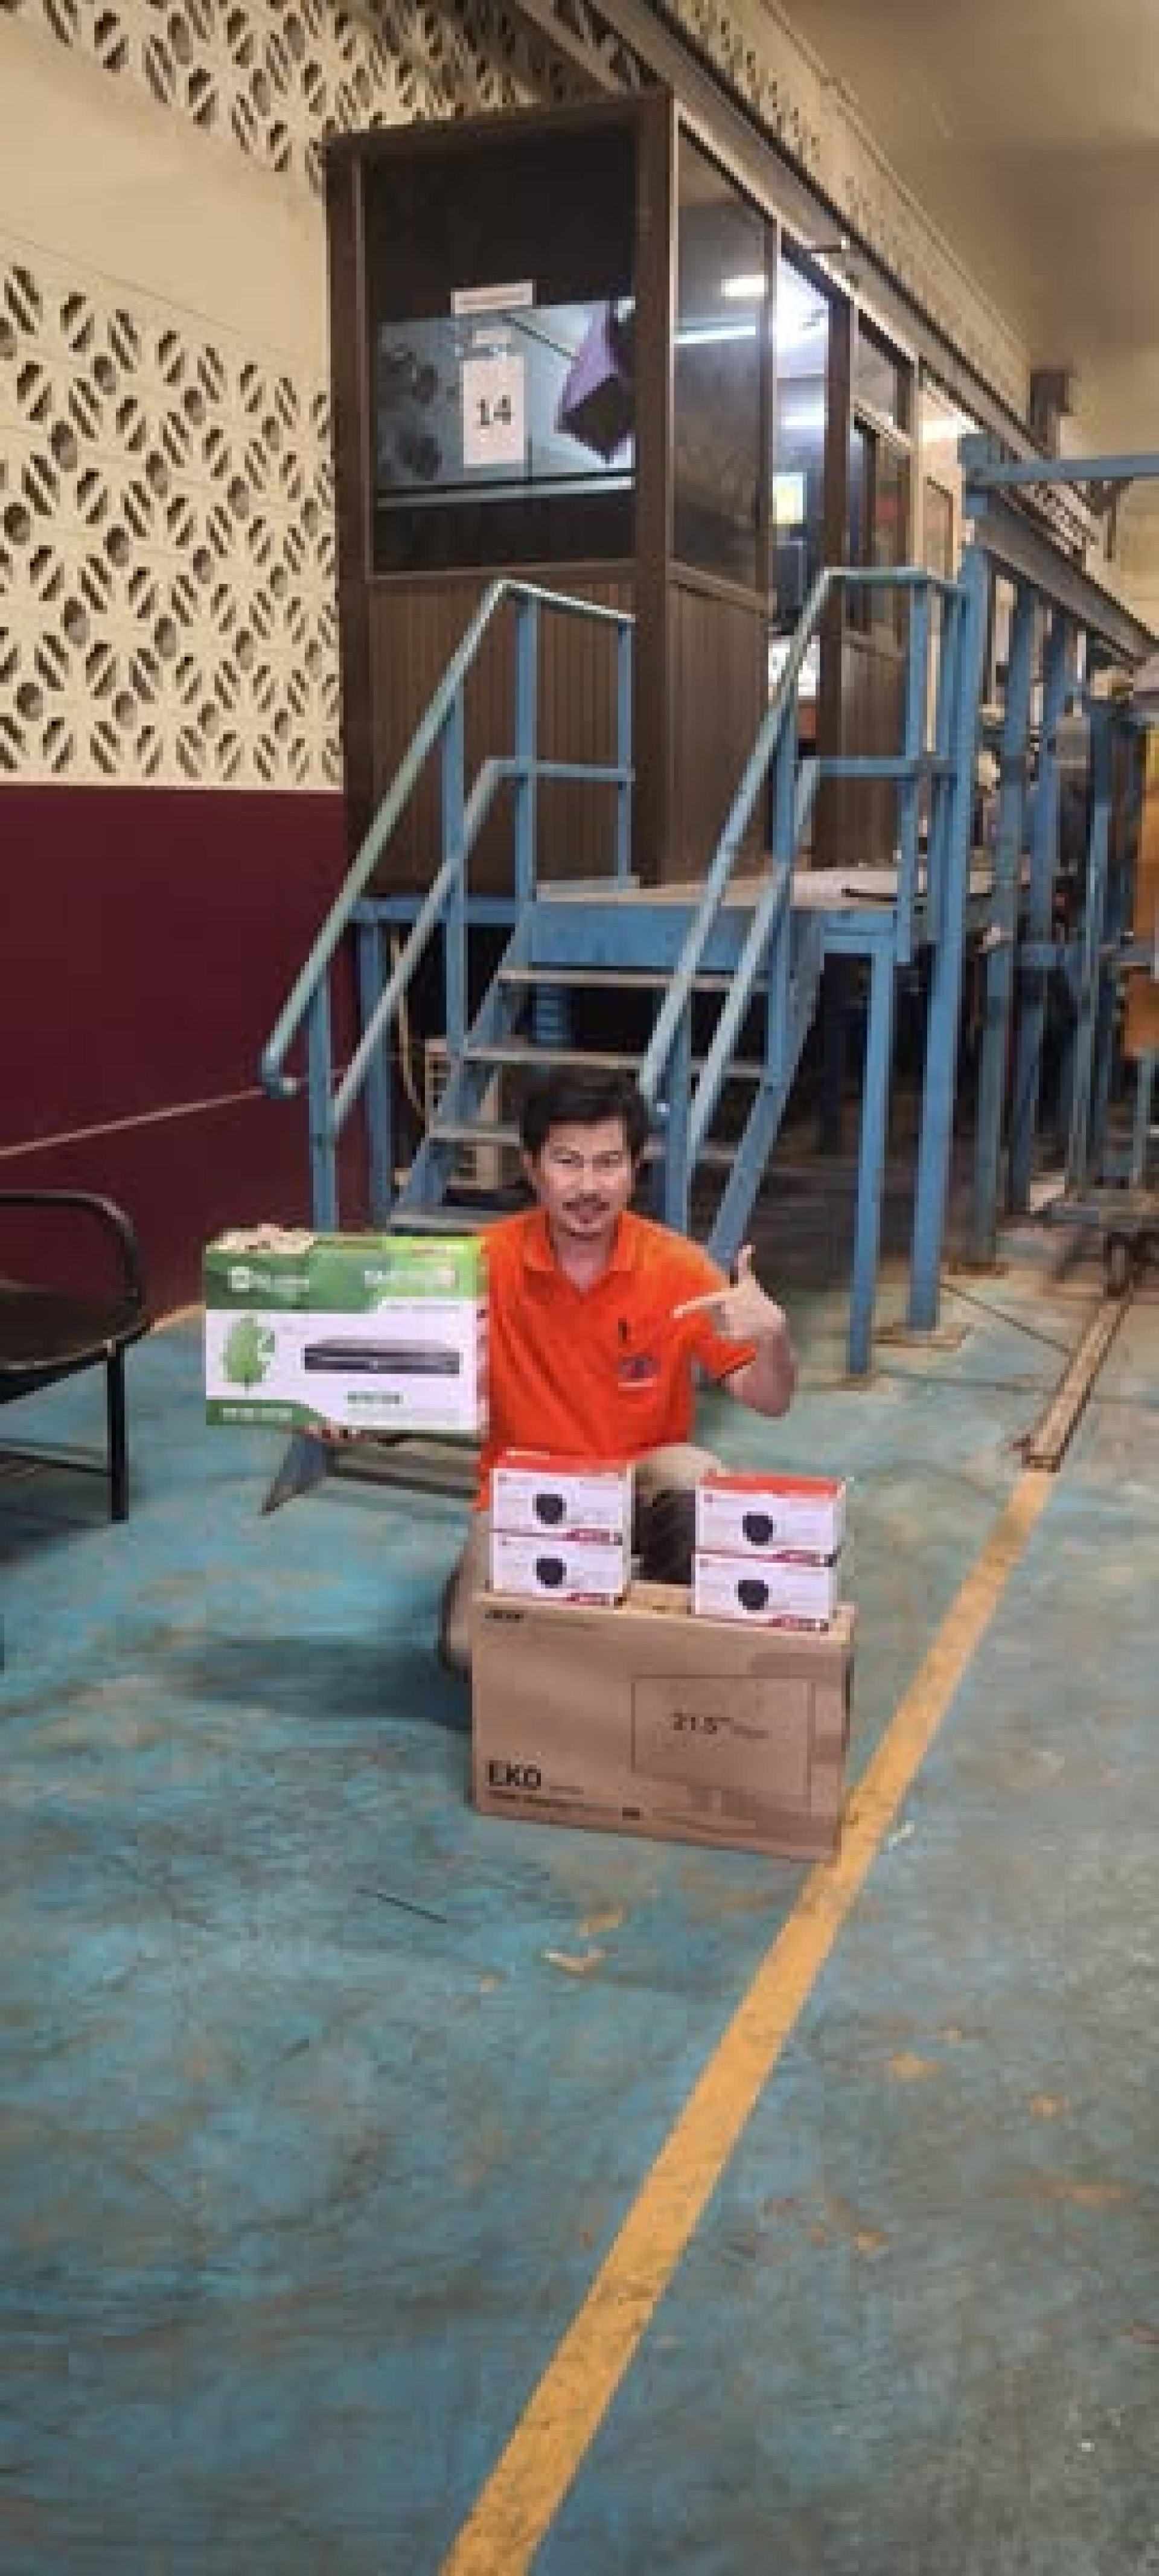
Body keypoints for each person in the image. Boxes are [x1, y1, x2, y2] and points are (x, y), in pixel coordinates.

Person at [439, 1066, 797, 1673]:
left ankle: (659, 1622)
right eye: (567, 1162)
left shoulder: (679, 1268)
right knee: (465, 1651)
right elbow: (403, 1370)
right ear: (532, 1168)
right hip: (527, 1491)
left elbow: (770, 1399)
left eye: (608, 1163)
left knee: (694, 1471)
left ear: (635, 1169)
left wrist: (775, 1339)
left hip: (637, 1487)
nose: (588, 1186)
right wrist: (340, 1413)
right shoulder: (479, 1265)